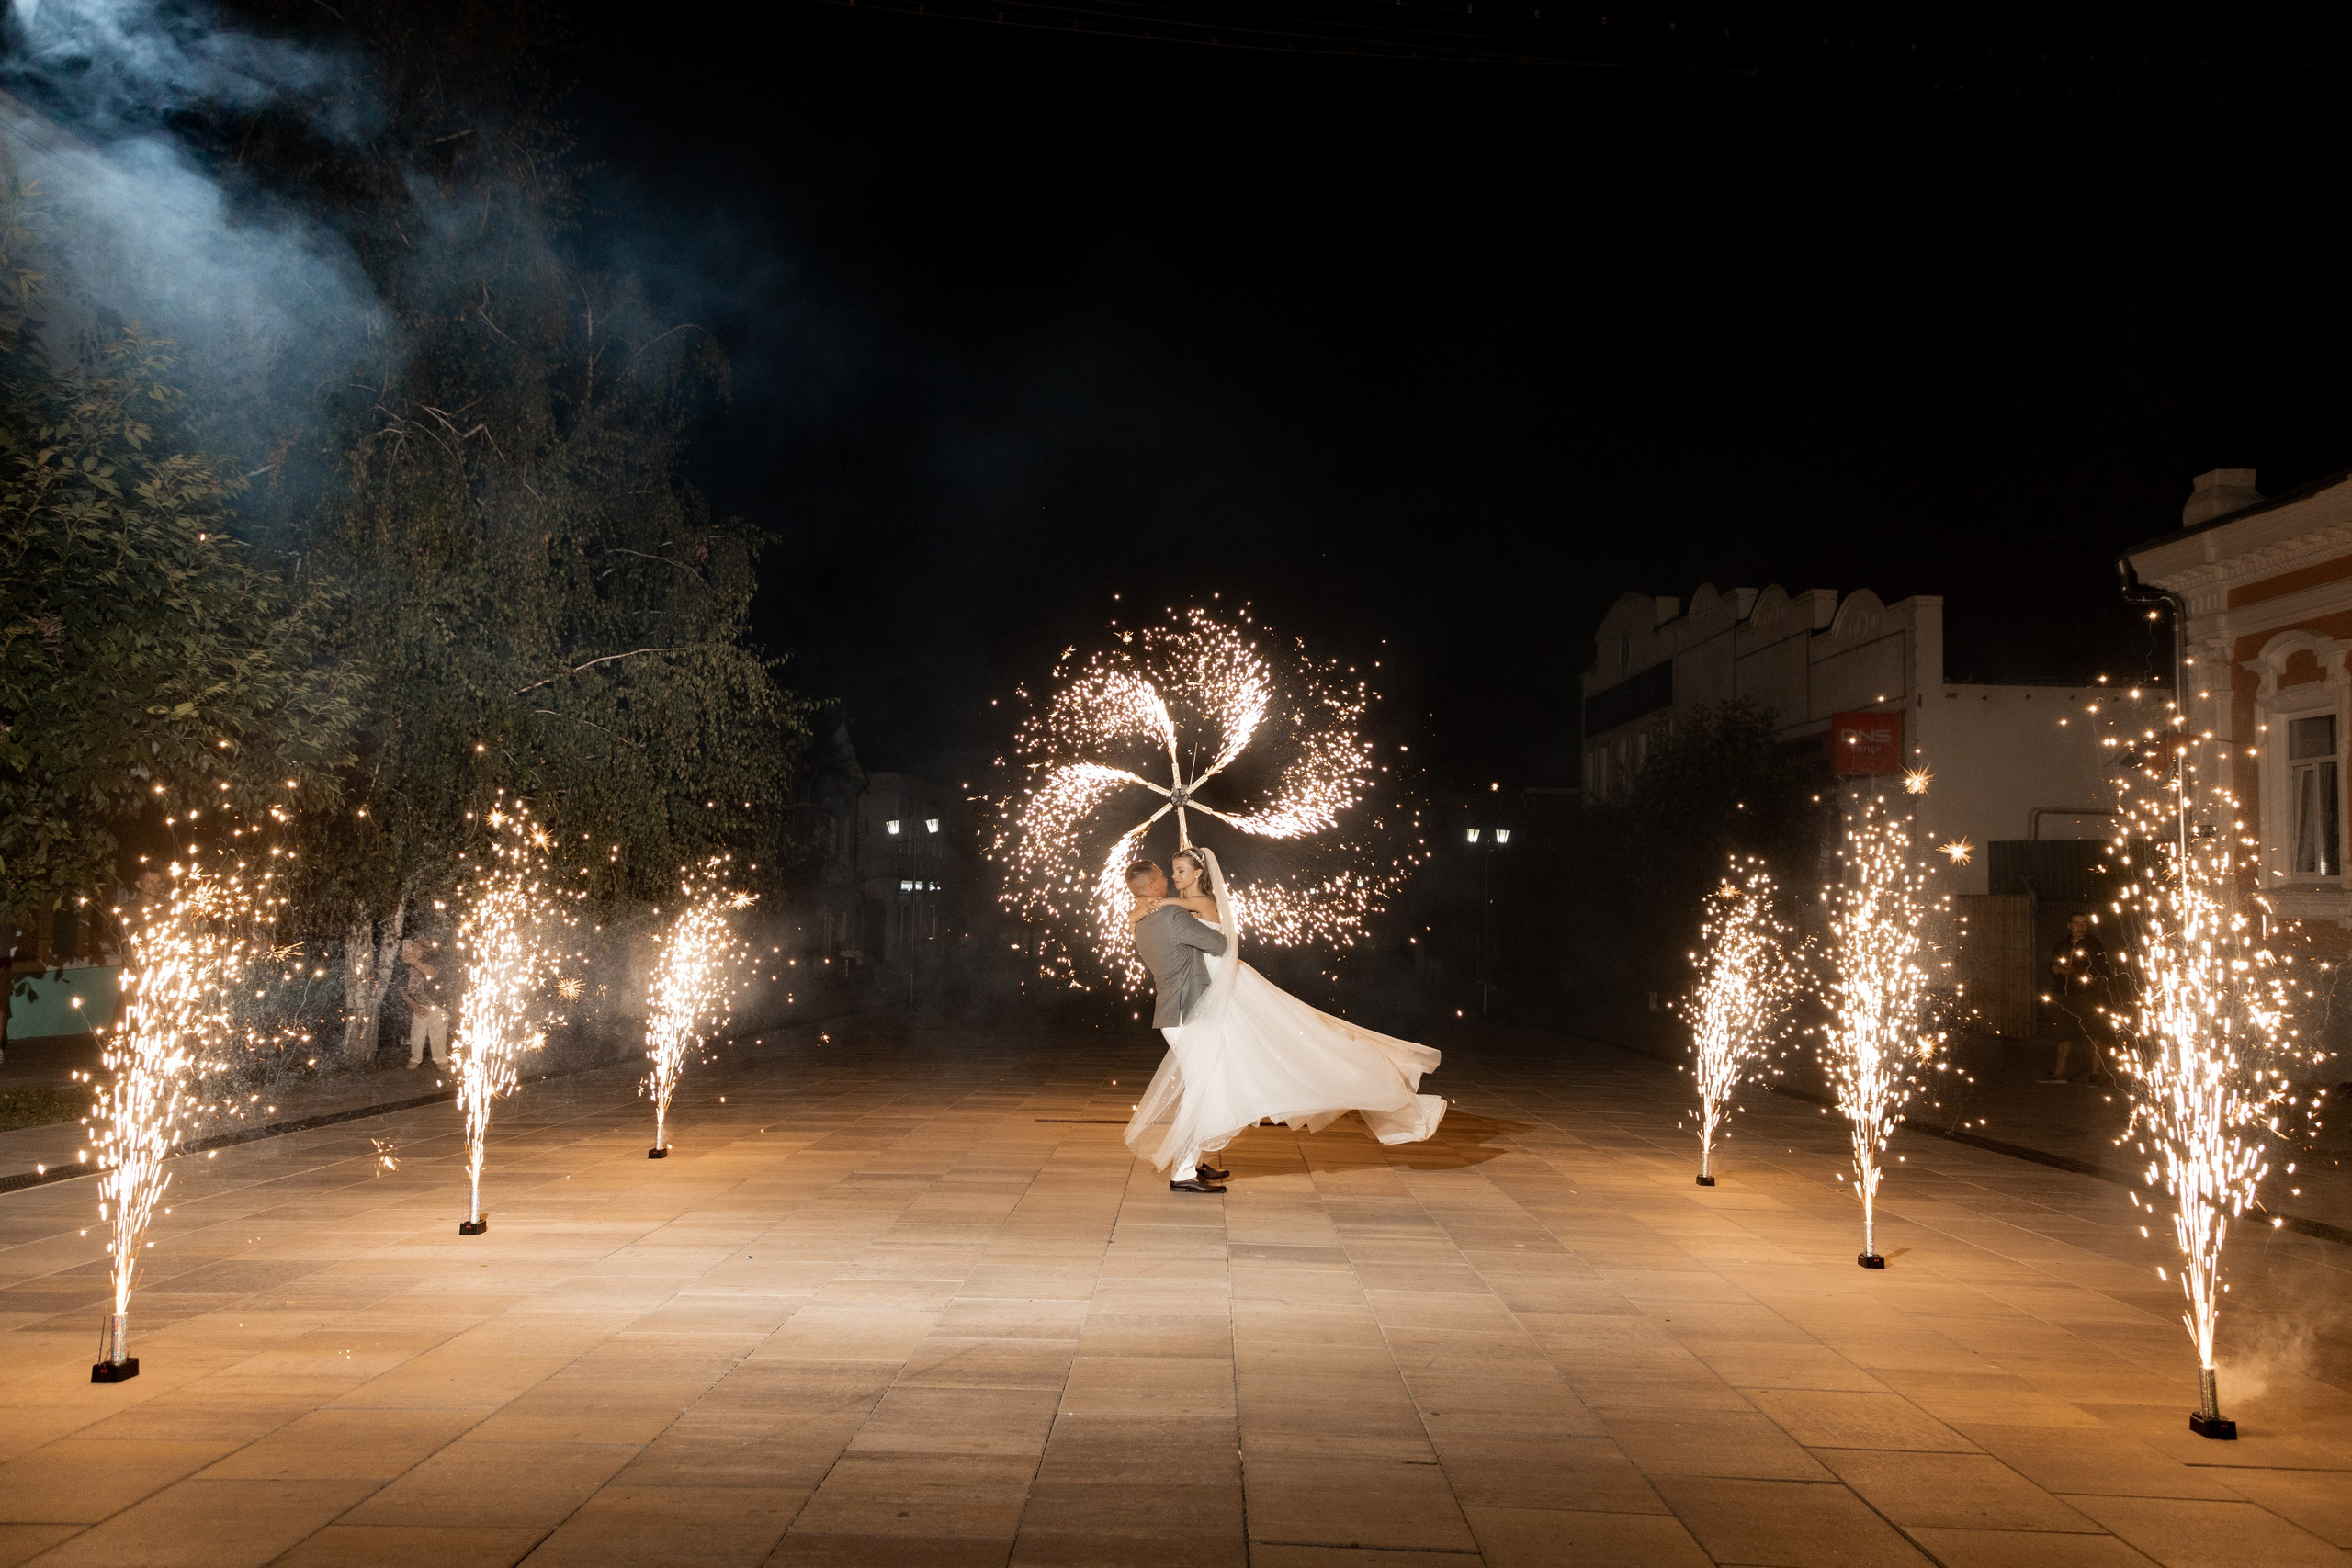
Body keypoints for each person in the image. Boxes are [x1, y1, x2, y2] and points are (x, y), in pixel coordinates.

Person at [1124, 845, 1445, 1192]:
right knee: (1204, 1090)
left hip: (1178, 1012)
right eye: (1165, 875)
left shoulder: (1141, 922)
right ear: (1152, 886)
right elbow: (1218, 945)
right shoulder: (1173, 915)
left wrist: (1148, 908)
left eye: (1177, 871)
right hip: (1192, 1013)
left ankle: (1193, 1163)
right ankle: (1183, 1172)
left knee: (1208, 1085)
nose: (1169, 878)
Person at [2041, 911, 2114, 1085]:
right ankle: (2059, 1072)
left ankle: (2095, 1074)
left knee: (2093, 1032)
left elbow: (2101, 969)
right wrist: (2055, 969)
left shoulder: (2094, 945)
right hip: (2062, 995)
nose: (2080, 927)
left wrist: (2076, 972)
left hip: (2085, 995)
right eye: (2076, 923)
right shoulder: (2062, 944)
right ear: (2069, 925)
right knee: (2062, 1033)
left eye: (2083, 923)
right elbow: (2052, 966)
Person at [401, 937, 450, 1068]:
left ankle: (441, 1060)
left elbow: (432, 973)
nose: (414, 951)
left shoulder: (432, 961)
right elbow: (400, 988)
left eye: (418, 949)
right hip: (419, 1004)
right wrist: (415, 1006)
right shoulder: (404, 966)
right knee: (417, 1032)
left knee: (438, 1032)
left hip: (437, 1005)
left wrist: (414, 961)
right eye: (412, 948)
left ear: (424, 951)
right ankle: (415, 1058)